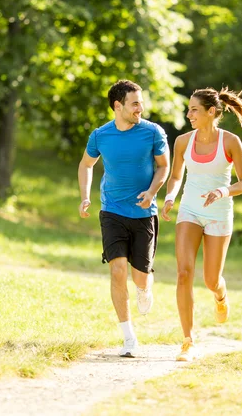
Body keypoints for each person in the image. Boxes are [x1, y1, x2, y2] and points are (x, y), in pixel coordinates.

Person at [160, 87, 242, 362]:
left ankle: (221, 295)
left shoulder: (230, 142)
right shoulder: (182, 141)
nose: (188, 114)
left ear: (211, 112)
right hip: (190, 209)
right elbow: (176, 176)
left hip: (219, 212)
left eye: (194, 109)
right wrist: (170, 197)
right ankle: (188, 341)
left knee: (210, 279)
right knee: (183, 273)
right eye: (189, 109)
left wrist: (222, 191)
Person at [78, 79, 170, 358]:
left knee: (140, 278)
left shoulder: (152, 132)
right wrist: (85, 196)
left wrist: (152, 191)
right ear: (118, 106)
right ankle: (129, 338)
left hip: (144, 213)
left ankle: (144, 289)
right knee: (117, 270)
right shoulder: (100, 135)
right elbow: (86, 164)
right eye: (135, 103)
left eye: (141, 102)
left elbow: (164, 166)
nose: (140, 108)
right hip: (112, 211)